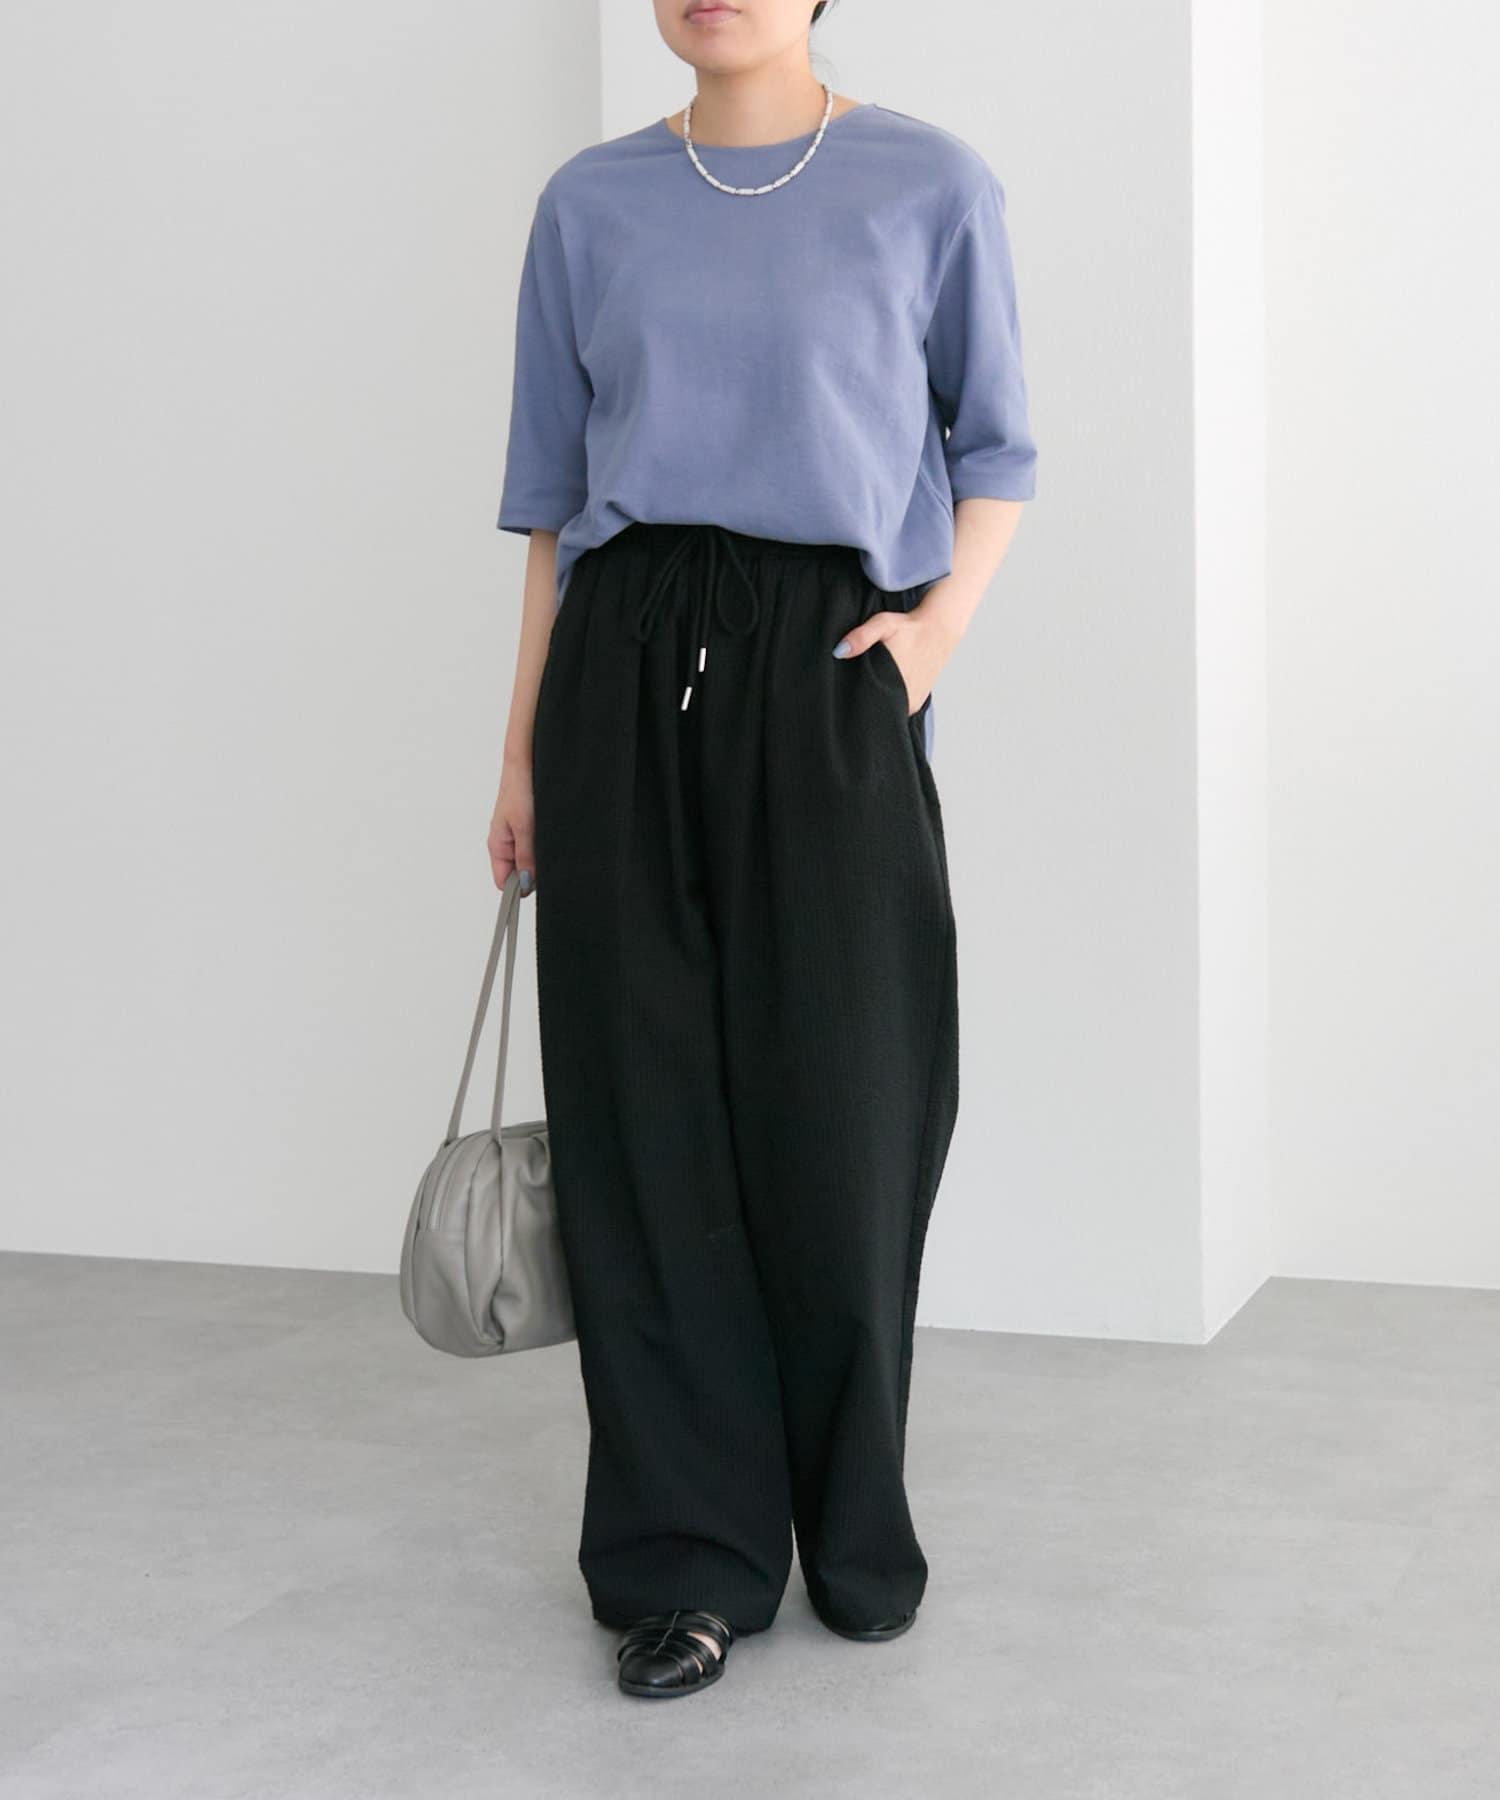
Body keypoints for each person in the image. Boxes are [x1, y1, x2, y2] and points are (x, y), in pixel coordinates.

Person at [486, 0, 1036, 1701]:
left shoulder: (927, 184)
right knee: (643, 1128)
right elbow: (551, 504)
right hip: (621, 665)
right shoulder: (589, 203)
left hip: (827, 665)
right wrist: (520, 750)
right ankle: (688, 1560)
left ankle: (854, 1520)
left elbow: (996, 447)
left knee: (848, 1107)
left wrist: (930, 641)